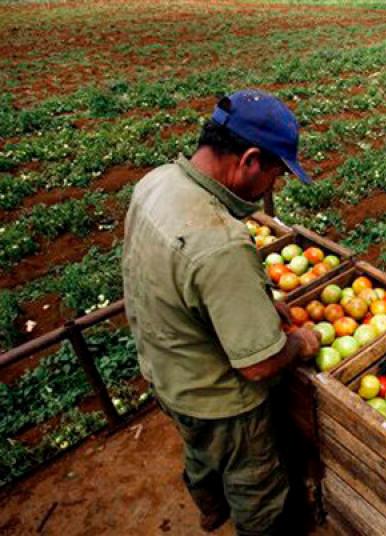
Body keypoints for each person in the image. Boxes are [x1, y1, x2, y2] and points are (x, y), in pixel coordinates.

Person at [122, 89, 321, 535]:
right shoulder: (220, 241)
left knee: (198, 449)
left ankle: (210, 507)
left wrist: (255, 303)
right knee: (256, 485)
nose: (273, 185)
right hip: (220, 401)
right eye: (275, 172)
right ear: (250, 159)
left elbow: (180, 282)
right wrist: (301, 343)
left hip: (166, 369)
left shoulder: (156, 182)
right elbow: (260, 364)